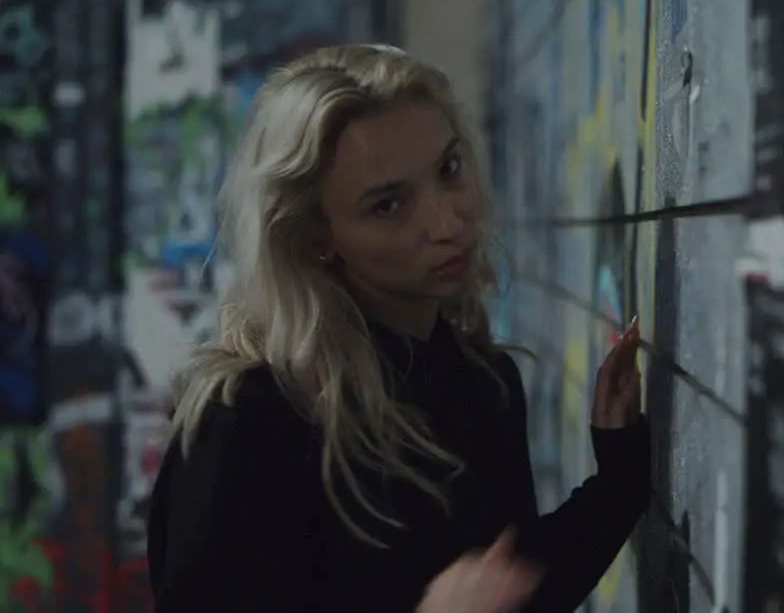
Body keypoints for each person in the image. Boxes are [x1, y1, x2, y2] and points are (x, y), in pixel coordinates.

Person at [146, 44, 651, 613]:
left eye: (449, 170)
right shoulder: (251, 419)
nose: (447, 221)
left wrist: (621, 475)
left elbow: (513, 587)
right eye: (389, 206)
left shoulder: (482, 383)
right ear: (315, 238)